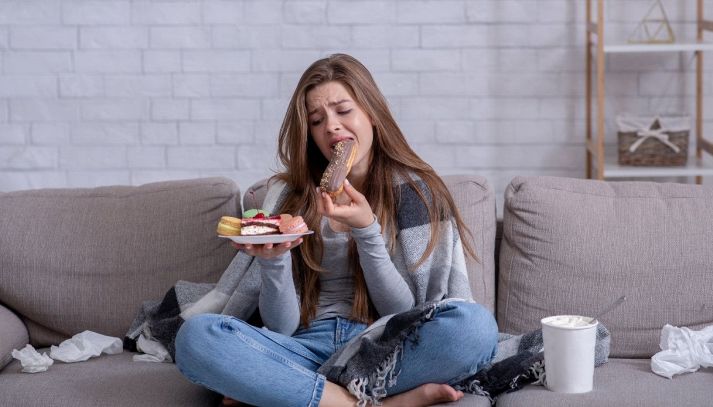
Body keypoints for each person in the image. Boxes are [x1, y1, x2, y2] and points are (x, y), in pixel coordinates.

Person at [173, 54, 498, 407]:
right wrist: (274, 259)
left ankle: (291, 390)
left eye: (344, 111)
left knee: (476, 328)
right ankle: (367, 402)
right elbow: (281, 327)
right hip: (302, 346)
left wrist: (367, 229)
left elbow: (403, 311)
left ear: (371, 113)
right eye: (317, 120)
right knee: (197, 337)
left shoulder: (418, 194)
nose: (331, 126)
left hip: (382, 349)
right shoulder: (287, 198)